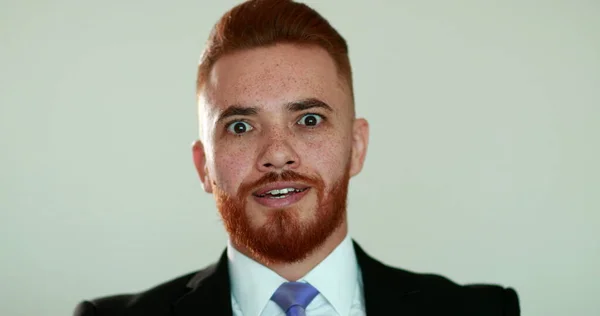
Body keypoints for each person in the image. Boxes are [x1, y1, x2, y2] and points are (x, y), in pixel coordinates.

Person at [74, 0, 520, 315]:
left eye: (308, 120)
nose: (277, 155)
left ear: (356, 147)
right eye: (241, 127)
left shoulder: (482, 310)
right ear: (203, 166)